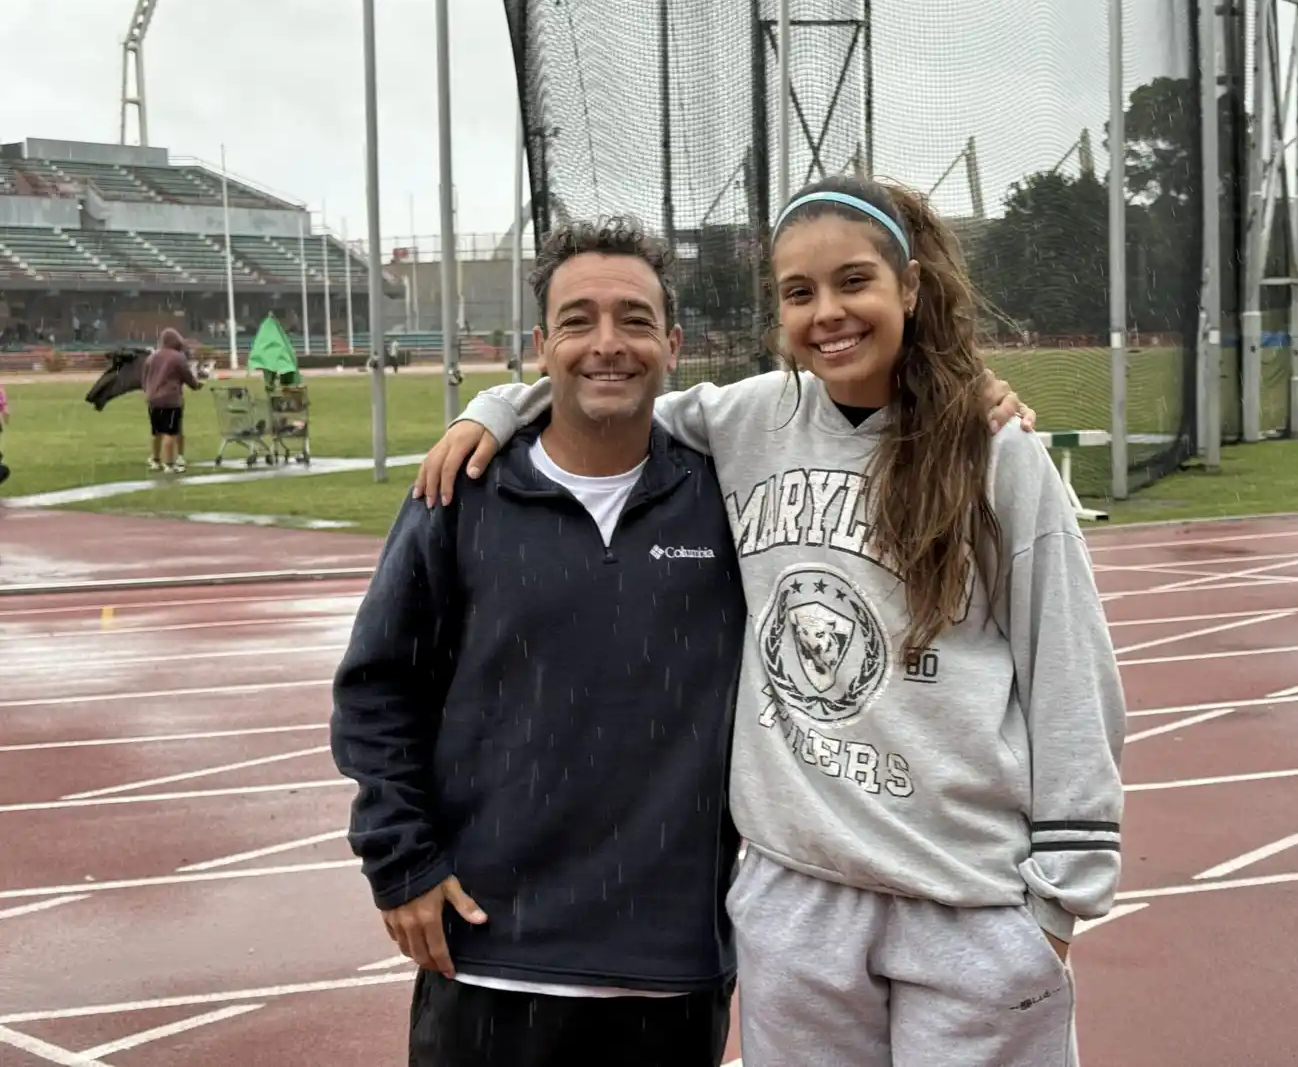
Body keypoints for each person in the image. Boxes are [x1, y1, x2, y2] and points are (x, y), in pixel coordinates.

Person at [416, 175, 1125, 1066]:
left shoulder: (997, 456)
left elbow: (1070, 666)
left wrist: (1059, 901)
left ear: (909, 288)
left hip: (968, 902)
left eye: (854, 281)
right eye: (799, 293)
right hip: (798, 904)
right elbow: (610, 394)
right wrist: (495, 406)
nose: (828, 313)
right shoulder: (751, 418)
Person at [330, 218, 749, 1067]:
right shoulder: (462, 492)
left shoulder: (729, 497)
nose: (607, 345)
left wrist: (981, 406)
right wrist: (399, 860)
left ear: (672, 344)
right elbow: (378, 686)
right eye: (578, 320)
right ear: (540, 344)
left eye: (634, 320)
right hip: (487, 954)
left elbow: (864, 428)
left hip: (668, 968)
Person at [141, 327, 201, 473]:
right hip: (171, 400)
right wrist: (196, 385)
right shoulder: (177, 358)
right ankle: (169, 464)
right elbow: (187, 376)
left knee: (156, 432)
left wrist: (149, 392)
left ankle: (155, 460)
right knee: (171, 433)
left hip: (153, 399)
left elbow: (144, 379)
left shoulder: (151, 358)